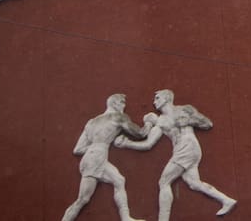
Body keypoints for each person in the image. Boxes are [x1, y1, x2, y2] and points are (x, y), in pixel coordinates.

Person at [115, 89, 236, 220]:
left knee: (164, 182)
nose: (154, 102)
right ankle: (226, 200)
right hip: (183, 149)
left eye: (157, 98)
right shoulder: (161, 121)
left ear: (167, 98)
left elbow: (207, 123)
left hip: (187, 146)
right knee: (193, 183)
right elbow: (148, 144)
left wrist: (189, 121)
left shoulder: (184, 109)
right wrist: (128, 143)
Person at [62, 93, 148, 221]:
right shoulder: (118, 116)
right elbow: (140, 133)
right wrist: (149, 122)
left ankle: (126, 218)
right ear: (115, 103)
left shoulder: (92, 122)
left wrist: (96, 147)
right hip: (96, 159)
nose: (124, 106)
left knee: (119, 180)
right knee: (83, 199)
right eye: (122, 102)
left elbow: (78, 149)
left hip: (92, 158)